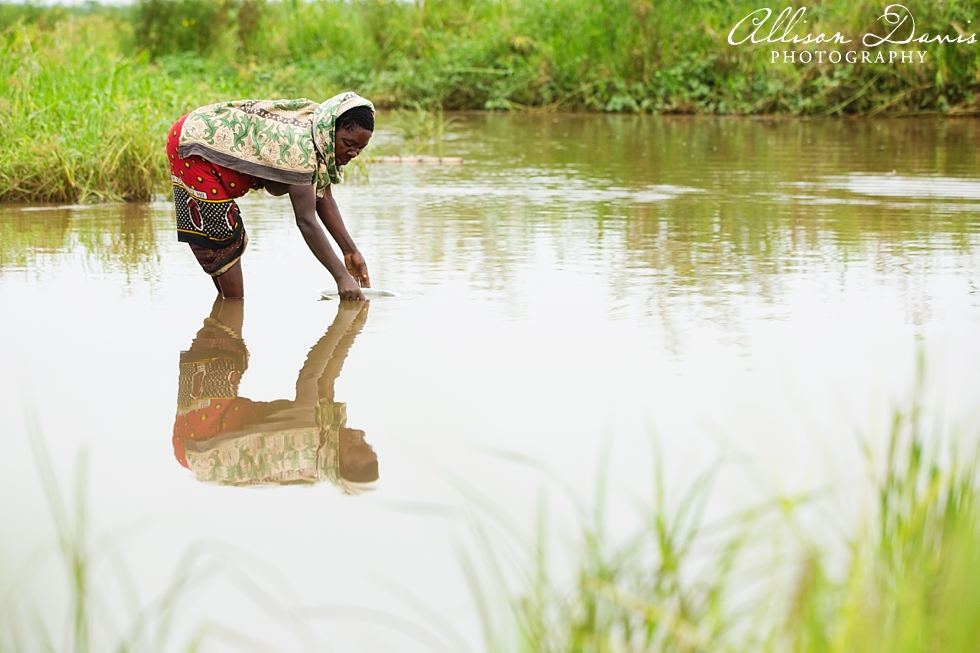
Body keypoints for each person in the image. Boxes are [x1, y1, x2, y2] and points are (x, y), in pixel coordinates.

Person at [167, 92, 375, 301]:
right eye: (348, 144)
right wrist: (341, 277)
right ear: (331, 130)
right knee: (223, 234)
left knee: (222, 241)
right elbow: (306, 220)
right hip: (193, 143)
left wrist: (350, 251)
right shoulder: (299, 146)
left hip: (196, 135)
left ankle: (223, 320)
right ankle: (232, 314)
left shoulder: (318, 132)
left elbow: (323, 197)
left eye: (360, 148)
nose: (353, 153)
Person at [172, 297, 379, 492]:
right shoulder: (326, 447)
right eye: (365, 442)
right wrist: (353, 327)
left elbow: (310, 376)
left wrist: (344, 320)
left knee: (223, 335)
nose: (359, 435)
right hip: (200, 446)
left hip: (199, 444)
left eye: (356, 447)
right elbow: (326, 380)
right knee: (228, 319)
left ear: (341, 462)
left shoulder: (310, 442)